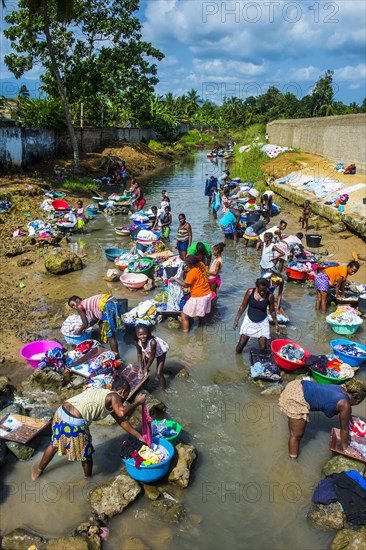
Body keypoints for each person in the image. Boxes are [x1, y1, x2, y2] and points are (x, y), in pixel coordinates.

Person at [31, 375, 146, 479]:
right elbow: (122, 413)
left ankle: (38, 471)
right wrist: (137, 402)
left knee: (55, 445)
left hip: (61, 413)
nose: (126, 398)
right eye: (127, 394)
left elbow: (121, 420)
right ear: (122, 391)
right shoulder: (114, 396)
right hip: (73, 424)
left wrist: (139, 437)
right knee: (86, 455)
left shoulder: (104, 394)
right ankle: (89, 479)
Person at [279, 379, 366, 459]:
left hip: (296, 385)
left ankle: (292, 428)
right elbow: (344, 429)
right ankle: (292, 460)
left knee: (295, 429)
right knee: (296, 435)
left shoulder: (340, 389)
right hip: (296, 398)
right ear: (358, 400)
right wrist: (345, 448)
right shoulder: (345, 404)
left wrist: (349, 417)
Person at [233, 277, 279, 353]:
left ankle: (262, 363)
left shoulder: (270, 296)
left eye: (264, 291)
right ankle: (236, 361)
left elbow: (272, 311)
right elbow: (242, 306)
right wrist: (236, 320)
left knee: (263, 347)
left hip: (262, 322)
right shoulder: (250, 292)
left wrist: (276, 324)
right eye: (260, 290)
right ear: (257, 287)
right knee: (241, 344)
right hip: (249, 320)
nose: (262, 293)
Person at [170, 255, 212, 332]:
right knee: (201, 314)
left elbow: (186, 285)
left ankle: (185, 335)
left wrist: (175, 279)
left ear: (192, 265)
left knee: (184, 315)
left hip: (198, 296)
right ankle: (201, 329)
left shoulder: (192, 273)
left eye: (187, 264)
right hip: (207, 293)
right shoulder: (201, 264)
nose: (186, 265)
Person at [135, 325, 169, 390]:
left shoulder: (153, 342)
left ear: (148, 333)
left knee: (159, 373)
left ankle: (164, 389)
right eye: (140, 335)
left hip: (160, 352)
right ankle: (146, 383)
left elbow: (152, 357)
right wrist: (140, 368)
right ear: (137, 335)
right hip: (149, 352)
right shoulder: (137, 342)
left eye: (145, 334)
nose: (142, 336)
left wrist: (146, 368)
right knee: (142, 368)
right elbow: (139, 354)